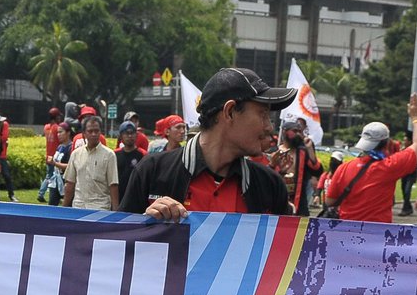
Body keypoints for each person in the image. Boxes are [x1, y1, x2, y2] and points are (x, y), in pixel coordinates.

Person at [118, 68, 296, 218]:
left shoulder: (270, 185)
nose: (269, 127)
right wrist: (144, 226)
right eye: (263, 115)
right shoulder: (152, 172)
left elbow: (289, 253)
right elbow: (116, 246)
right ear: (230, 112)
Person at [325, 95, 417, 224]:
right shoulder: (389, 166)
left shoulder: (344, 168)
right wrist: (416, 118)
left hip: (346, 231)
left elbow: (330, 201)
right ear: (387, 143)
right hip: (377, 233)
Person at [63, 116, 120, 210]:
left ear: (100, 132)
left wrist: (115, 212)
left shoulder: (109, 155)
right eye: (90, 131)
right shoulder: (76, 154)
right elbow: (70, 183)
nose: (94, 134)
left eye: (96, 131)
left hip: (100, 208)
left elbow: (113, 185)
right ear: (84, 133)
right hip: (78, 207)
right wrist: (63, 209)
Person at [270, 120, 322, 216]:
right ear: (285, 132)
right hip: (276, 199)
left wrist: (310, 149)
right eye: (295, 131)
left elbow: (317, 171)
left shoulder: (302, 152)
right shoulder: (274, 152)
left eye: (300, 131)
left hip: (299, 202)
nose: (298, 134)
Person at [37, 107, 63, 201]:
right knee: (51, 176)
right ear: (56, 117)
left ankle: (47, 193)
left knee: (50, 175)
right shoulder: (57, 128)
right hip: (55, 156)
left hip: (48, 154)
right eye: (58, 116)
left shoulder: (46, 127)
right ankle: (41, 193)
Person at [45, 121, 74, 206]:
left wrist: (55, 163)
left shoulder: (71, 148)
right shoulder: (60, 147)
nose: (58, 135)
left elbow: (70, 166)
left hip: (66, 182)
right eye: (57, 132)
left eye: (61, 132)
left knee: (67, 205)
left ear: (68, 133)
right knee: (51, 205)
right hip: (56, 181)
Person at [114, 120, 145, 191]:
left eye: (132, 133)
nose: (130, 136)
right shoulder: (114, 155)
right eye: (126, 133)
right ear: (121, 136)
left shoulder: (143, 155)